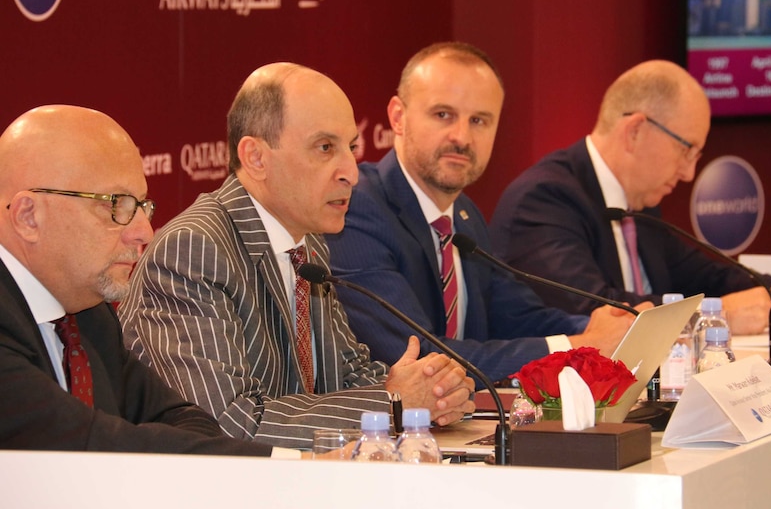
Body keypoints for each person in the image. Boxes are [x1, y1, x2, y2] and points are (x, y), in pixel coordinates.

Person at [119, 62, 475, 450]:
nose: (351, 173)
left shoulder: (307, 242)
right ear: (255, 157)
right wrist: (391, 403)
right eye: (325, 148)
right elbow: (225, 425)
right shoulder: (193, 250)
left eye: (351, 147)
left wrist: (429, 390)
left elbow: (347, 372)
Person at [327, 42, 639, 385]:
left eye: (479, 120)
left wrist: (610, 326)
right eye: (443, 114)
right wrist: (578, 346)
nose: (462, 137)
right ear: (398, 117)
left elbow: (518, 317)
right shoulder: (359, 209)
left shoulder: (464, 215)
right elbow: (424, 359)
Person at [0, 104, 273, 456]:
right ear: (28, 217)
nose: (144, 231)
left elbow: (186, 419)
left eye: (142, 205)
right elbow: (83, 444)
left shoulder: (89, 315)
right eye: (116, 204)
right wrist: (294, 465)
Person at [489, 60, 771, 335]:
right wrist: (715, 315)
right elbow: (595, 310)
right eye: (686, 151)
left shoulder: (641, 205)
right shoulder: (545, 199)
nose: (689, 173)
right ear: (636, 130)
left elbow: (706, 275)